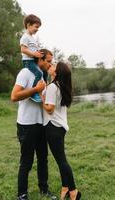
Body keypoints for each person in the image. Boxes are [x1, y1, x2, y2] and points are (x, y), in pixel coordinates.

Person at [11, 49, 57, 200]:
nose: (50, 64)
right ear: (40, 59)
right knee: (27, 161)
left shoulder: (43, 76)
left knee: (43, 158)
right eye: (48, 61)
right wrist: (35, 90)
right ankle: (22, 194)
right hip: (26, 124)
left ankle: (44, 189)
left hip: (41, 123)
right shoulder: (25, 72)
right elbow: (14, 96)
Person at [42, 62, 82, 200]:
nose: (50, 66)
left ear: (56, 72)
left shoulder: (53, 87)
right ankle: (65, 187)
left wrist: (42, 99)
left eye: (53, 65)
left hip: (53, 127)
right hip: (60, 126)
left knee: (61, 161)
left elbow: (50, 109)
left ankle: (73, 190)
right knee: (61, 159)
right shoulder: (60, 86)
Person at [20, 14, 45, 103]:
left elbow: (33, 49)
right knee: (38, 73)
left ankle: (42, 91)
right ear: (28, 25)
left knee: (42, 72)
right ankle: (33, 93)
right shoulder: (25, 36)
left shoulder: (32, 38)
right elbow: (23, 49)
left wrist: (38, 53)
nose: (37, 29)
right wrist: (34, 54)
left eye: (38, 27)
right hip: (28, 61)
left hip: (33, 60)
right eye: (36, 27)